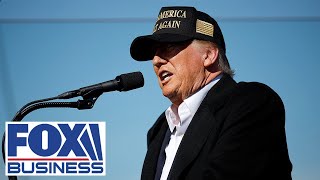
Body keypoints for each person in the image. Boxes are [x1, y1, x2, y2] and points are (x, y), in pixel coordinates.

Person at [130, 6, 292, 180]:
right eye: (154, 52)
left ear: (208, 55)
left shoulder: (251, 103)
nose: (156, 60)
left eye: (168, 47)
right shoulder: (159, 129)